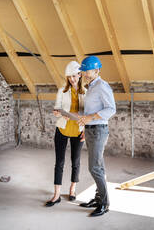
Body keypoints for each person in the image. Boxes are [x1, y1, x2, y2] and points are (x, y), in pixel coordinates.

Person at [77, 56, 116, 217]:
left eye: (87, 70)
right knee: (98, 167)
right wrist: (75, 116)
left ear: (96, 70)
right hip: (91, 130)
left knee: (94, 168)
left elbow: (111, 109)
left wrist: (91, 118)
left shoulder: (102, 86)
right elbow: (87, 113)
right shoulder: (91, 87)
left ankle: (104, 204)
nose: (85, 73)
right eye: (83, 71)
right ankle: (98, 197)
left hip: (99, 130)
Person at [45, 61, 86, 207]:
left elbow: (88, 115)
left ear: (80, 75)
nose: (72, 79)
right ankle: (56, 195)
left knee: (75, 162)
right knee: (59, 163)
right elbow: (57, 110)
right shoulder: (62, 90)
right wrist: (58, 113)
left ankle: (72, 189)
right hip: (62, 130)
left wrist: (85, 131)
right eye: (69, 77)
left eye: (74, 76)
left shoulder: (86, 92)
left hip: (78, 132)